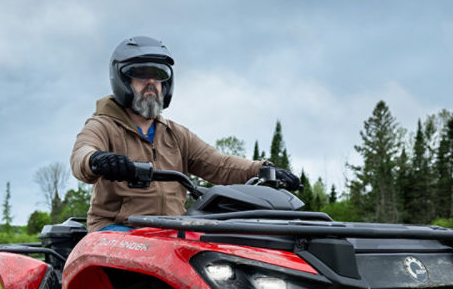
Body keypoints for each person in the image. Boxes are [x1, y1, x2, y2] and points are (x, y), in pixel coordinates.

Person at [70, 36, 300, 232]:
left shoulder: (175, 134)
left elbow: (219, 164)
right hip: (117, 228)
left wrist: (261, 169)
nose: (151, 82)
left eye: (158, 75)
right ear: (123, 80)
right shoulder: (103, 125)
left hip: (170, 230)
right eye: (141, 74)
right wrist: (97, 160)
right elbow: (82, 153)